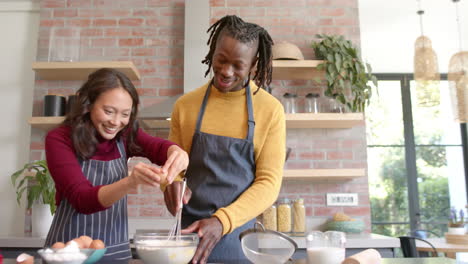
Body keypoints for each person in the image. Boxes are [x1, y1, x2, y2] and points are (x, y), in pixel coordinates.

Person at [164, 15, 286, 264]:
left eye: (237, 65)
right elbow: (173, 165)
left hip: (240, 242)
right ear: (212, 51)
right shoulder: (186, 106)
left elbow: (269, 183)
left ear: (253, 65)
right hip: (187, 242)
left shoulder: (270, 110)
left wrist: (222, 221)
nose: (226, 71)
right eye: (221, 60)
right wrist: (170, 184)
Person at [44, 68, 189, 260]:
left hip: (116, 255)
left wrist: (178, 153)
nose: (116, 122)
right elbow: (81, 199)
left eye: (125, 114)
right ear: (88, 104)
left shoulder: (125, 135)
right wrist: (130, 182)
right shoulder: (59, 139)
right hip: (69, 255)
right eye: (108, 111)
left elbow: (158, 147)